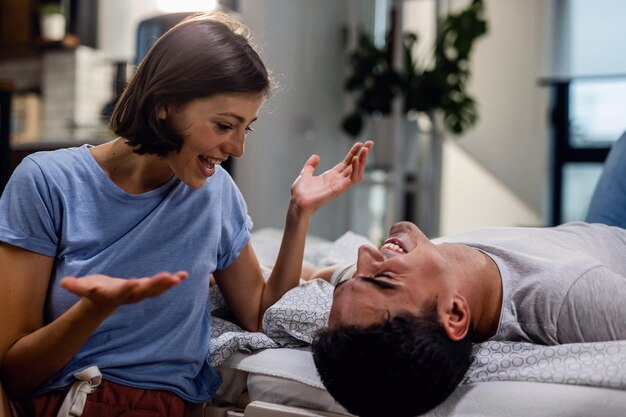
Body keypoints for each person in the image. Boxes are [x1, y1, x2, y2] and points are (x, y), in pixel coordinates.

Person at [0, 12, 372, 417]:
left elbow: (261, 317)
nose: (236, 148)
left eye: (245, 128)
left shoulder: (217, 195)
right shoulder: (46, 182)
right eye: (224, 125)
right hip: (67, 402)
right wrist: (93, 311)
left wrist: (299, 213)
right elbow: (16, 373)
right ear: (165, 104)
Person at [312, 134, 626, 417]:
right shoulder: (569, 297)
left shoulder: (416, 279)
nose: (365, 255)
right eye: (382, 279)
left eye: (349, 281)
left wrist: (300, 212)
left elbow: (303, 279)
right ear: (455, 313)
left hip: (582, 238)